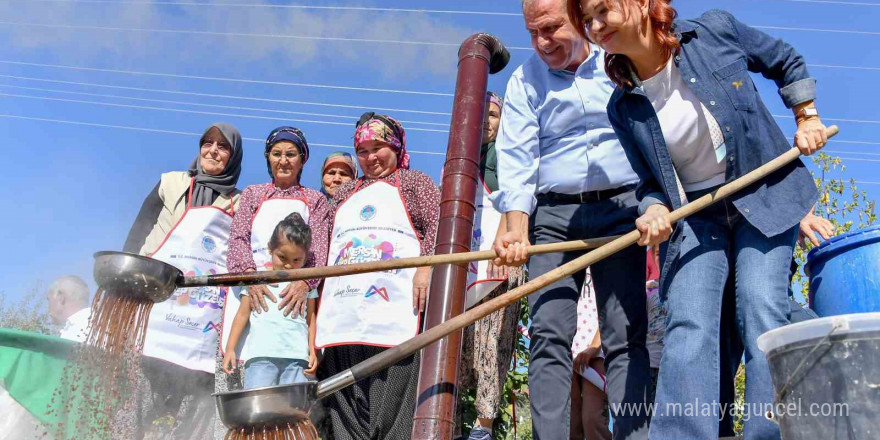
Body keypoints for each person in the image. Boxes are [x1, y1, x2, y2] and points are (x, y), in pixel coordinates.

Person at [571, 1, 829, 438]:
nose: (595, 27)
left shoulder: (714, 32)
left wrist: (807, 115)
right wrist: (652, 208)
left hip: (761, 194)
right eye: (588, 21)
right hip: (695, 216)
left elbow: (785, 59)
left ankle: (772, 432)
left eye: (602, 11)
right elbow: (651, 180)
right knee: (689, 321)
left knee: (759, 302)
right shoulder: (623, 105)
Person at [491, 1, 651, 438]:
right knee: (547, 335)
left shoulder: (618, 59)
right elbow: (518, 157)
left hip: (621, 210)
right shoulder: (525, 80)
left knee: (625, 335)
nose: (542, 43)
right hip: (554, 218)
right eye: (532, 33)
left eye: (551, 28)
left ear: (580, 19)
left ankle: (634, 434)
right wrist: (516, 227)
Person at [315, 112, 440, 440]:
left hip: (395, 314)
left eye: (378, 147)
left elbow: (439, 225)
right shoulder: (344, 195)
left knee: (392, 413)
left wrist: (425, 266)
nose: (370, 157)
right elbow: (323, 247)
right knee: (344, 415)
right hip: (343, 317)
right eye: (363, 151)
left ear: (397, 147)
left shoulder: (415, 184)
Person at [122, 122, 243, 440]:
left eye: (223, 146)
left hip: (199, 319)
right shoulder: (171, 183)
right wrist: (124, 277)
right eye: (208, 143)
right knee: (140, 395)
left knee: (192, 405)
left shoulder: (238, 203)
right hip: (153, 304)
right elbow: (138, 231)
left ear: (233, 156)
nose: (213, 151)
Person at [456, 91, 524, 440]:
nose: (486, 121)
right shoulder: (460, 160)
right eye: (479, 114)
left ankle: (483, 424)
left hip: (500, 255)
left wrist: (504, 238)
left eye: (493, 114)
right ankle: (450, 419)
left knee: (493, 338)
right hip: (465, 261)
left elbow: (517, 194)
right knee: (460, 342)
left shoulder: (511, 153)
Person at [222, 213, 318, 389]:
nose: (289, 265)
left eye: (297, 260)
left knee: (294, 409)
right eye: (282, 257)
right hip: (261, 358)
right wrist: (230, 349)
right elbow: (242, 316)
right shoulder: (257, 283)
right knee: (258, 405)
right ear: (270, 249)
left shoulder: (306, 288)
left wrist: (312, 350)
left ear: (305, 259)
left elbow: (310, 319)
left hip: (297, 359)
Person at [569, 268, 612, 440]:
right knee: (571, 422)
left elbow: (612, 306)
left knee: (593, 418)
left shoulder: (604, 262)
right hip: (567, 350)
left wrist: (595, 345)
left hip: (596, 353)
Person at [46, 275, 91, 343]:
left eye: (49, 300)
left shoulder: (76, 330)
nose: (48, 308)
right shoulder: (100, 321)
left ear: (60, 297)